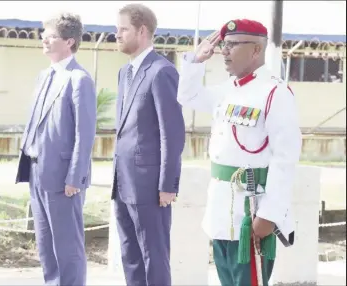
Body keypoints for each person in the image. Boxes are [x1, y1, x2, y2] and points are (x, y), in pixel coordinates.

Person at [177, 19, 302, 286]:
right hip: (221, 212)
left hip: (251, 213)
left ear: (256, 50)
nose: (224, 51)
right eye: (224, 44)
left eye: (232, 45)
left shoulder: (275, 93)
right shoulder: (228, 90)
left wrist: (269, 215)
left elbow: (285, 160)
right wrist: (196, 62)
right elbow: (187, 96)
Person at [15, 12, 97, 286]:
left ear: (69, 41)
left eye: (51, 37)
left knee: (67, 247)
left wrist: (76, 177)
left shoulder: (79, 79)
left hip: (63, 177)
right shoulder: (44, 76)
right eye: (44, 36)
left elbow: (84, 135)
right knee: (45, 243)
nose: (44, 41)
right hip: (37, 170)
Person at [112, 3, 185, 286]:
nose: (116, 35)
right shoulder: (124, 73)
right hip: (123, 183)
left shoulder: (161, 72)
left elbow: (172, 133)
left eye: (123, 29)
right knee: (130, 255)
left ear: (142, 31)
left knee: (153, 256)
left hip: (151, 186)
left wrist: (168, 184)